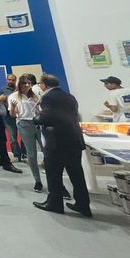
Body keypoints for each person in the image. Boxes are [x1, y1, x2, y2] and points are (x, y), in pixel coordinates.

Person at [33, 74, 91, 217]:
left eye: (40, 84)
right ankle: (83, 204)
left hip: (57, 141)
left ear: (45, 85)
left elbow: (47, 117)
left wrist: (36, 118)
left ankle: (54, 203)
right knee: (77, 174)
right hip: (74, 139)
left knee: (54, 173)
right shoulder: (69, 97)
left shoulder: (48, 97)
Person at [8, 75, 44, 192]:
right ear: (19, 84)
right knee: (31, 154)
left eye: (29, 83)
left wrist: (39, 105)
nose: (27, 85)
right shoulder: (13, 96)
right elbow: (13, 115)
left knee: (47, 151)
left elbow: (41, 110)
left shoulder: (35, 94)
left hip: (38, 123)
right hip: (24, 124)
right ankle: (37, 180)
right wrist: (13, 107)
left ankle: (56, 181)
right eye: (24, 83)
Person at [2, 74, 24, 161]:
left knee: (24, 134)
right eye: (9, 80)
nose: (10, 81)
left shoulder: (19, 89)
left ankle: (24, 152)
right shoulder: (4, 90)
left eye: (12, 80)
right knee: (12, 136)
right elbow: (8, 102)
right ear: (7, 80)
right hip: (8, 117)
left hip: (20, 115)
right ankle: (17, 155)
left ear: (15, 80)